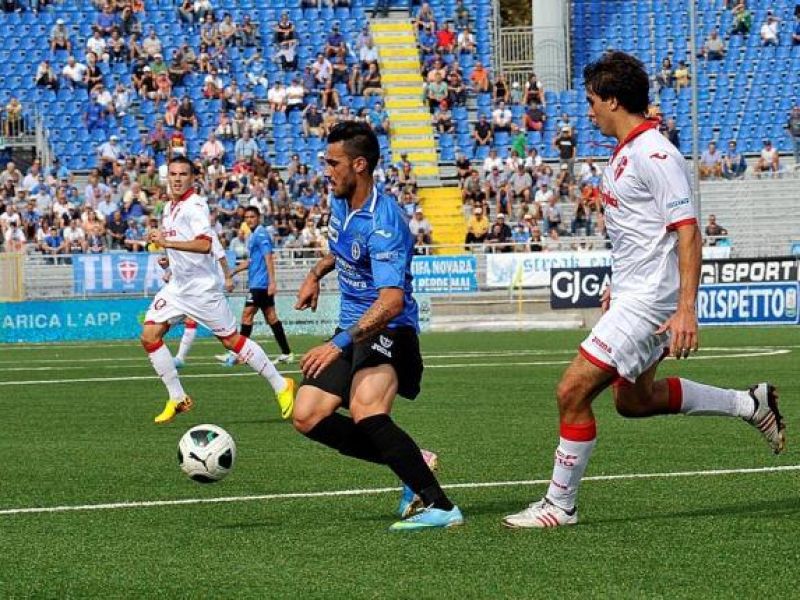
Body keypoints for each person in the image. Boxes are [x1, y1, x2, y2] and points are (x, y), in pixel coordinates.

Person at [502, 51, 784, 530]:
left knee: (571, 390)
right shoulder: (626, 151)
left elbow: (688, 231)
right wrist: (617, 284)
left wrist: (686, 309)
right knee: (633, 401)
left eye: (592, 100)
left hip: (651, 300)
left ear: (613, 100)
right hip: (635, 293)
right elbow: (641, 232)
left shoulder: (656, 154)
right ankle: (749, 403)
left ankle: (559, 505)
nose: (589, 110)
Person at [292, 122, 463, 531]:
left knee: (367, 411)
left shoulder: (385, 223)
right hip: (352, 326)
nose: (327, 171)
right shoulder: (340, 203)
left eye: (333, 163)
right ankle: (413, 461)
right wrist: (315, 274)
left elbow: (391, 302)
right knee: (307, 415)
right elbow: (343, 251)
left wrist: (336, 345)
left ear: (360, 165)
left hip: (390, 329)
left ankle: (440, 506)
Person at [140, 156, 295, 424]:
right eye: (173, 174)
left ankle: (282, 385)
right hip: (178, 287)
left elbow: (204, 245)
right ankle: (177, 397)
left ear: (192, 178)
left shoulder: (195, 206)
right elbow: (181, 245)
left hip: (201, 290)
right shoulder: (169, 208)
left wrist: (167, 243)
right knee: (149, 335)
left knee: (232, 341)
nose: (177, 179)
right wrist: (169, 260)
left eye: (183, 174)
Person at [216, 206, 294, 367]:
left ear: (258, 218)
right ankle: (287, 353)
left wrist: (272, 282)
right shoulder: (253, 236)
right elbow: (251, 261)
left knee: (247, 315)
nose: (249, 220)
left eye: (252, 217)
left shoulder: (261, 234)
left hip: (260, 284)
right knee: (271, 317)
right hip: (258, 283)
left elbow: (268, 257)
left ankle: (237, 354)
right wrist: (233, 271)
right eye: (247, 217)